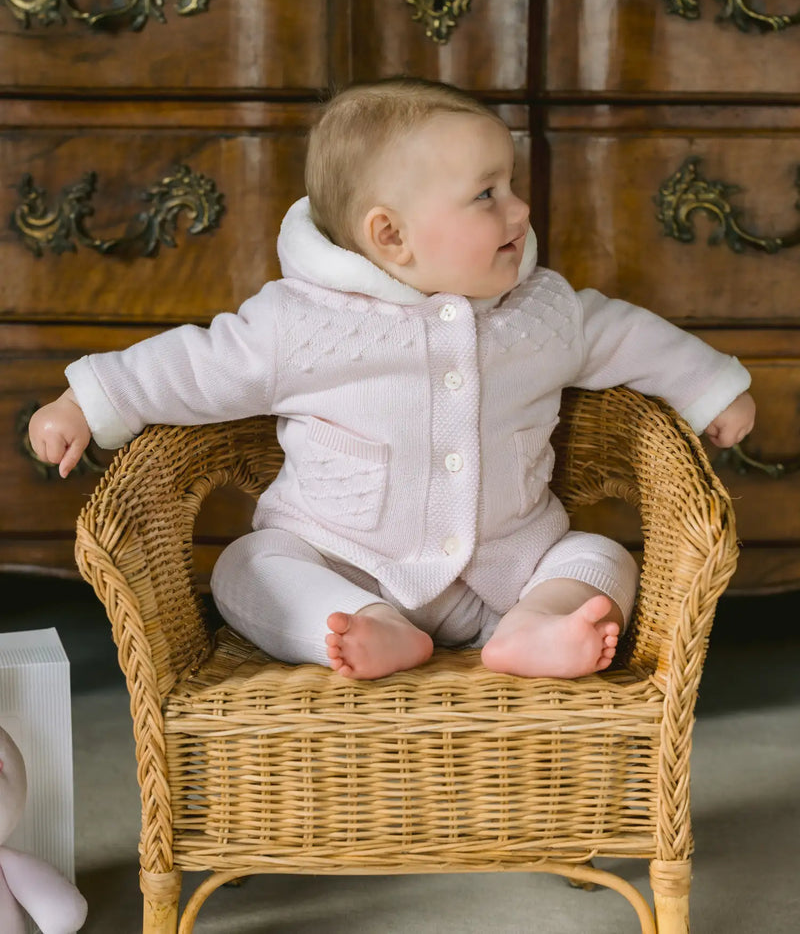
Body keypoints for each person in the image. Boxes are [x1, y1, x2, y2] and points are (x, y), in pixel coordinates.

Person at [28, 77, 756, 683]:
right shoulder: (303, 323)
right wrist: (86, 402)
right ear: (390, 236)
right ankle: (356, 632)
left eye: (510, 185)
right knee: (247, 567)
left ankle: (537, 629)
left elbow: (629, 335)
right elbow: (192, 366)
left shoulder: (541, 311)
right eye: (487, 195)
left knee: (599, 559)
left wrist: (710, 390)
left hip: (504, 575)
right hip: (346, 569)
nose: (520, 209)